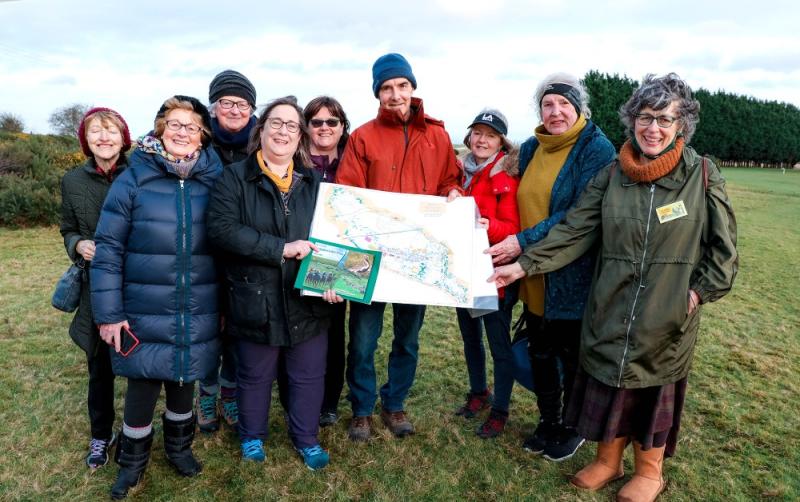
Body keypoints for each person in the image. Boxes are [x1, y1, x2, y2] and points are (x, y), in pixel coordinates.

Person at [489, 73, 738, 502]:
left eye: (664, 119)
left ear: (682, 125)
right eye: (645, 117)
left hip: (667, 315)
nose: (653, 128)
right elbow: (574, 230)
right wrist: (524, 264)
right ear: (632, 120)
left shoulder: (701, 175)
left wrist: (694, 296)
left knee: (651, 388)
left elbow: (724, 252)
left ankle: (649, 471)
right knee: (609, 383)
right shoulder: (612, 174)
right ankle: (607, 460)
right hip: (610, 307)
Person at [91, 95, 223, 499]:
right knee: (143, 384)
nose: (183, 132)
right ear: (161, 130)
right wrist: (109, 315)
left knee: (184, 378)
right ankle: (132, 463)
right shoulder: (134, 178)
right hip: (143, 305)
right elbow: (108, 250)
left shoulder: (216, 180)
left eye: (192, 126)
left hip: (197, 303)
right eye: (175, 124)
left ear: (202, 136)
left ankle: (179, 449)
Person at [206, 96, 342, 470]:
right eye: (276, 123)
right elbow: (221, 231)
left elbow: (331, 239)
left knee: (309, 374)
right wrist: (280, 249)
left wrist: (334, 281)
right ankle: (252, 436)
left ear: (300, 138)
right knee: (254, 375)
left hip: (306, 298)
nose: (284, 131)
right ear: (261, 130)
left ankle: (306, 438)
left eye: (292, 126)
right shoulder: (234, 178)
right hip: (255, 296)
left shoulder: (315, 185)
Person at [486, 72, 615, 461]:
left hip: (572, 271)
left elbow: (575, 215)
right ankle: (548, 420)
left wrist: (521, 241)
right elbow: (494, 178)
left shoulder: (596, 149)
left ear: (579, 108)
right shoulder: (531, 148)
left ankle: (574, 426)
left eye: (564, 104)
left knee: (571, 355)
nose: (556, 111)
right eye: (547, 104)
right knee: (540, 349)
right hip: (533, 273)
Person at [336, 53, 462, 441]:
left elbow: (449, 180)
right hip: (368, 256)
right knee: (362, 340)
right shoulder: (362, 136)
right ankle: (361, 409)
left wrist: (454, 192)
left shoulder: (437, 136)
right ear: (378, 92)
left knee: (407, 338)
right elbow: (347, 195)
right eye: (387, 87)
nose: (395, 94)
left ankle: (395, 403)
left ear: (412, 87)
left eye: (401, 86)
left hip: (418, 257)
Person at [60, 107, 131, 469]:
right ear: (86, 141)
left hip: (136, 283)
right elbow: (67, 227)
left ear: (124, 138)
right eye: (95, 133)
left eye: (111, 132)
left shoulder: (140, 174)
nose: (104, 139)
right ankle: (101, 435)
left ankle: (137, 432)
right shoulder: (72, 181)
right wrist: (77, 244)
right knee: (99, 367)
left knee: (139, 364)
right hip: (95, 288)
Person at [196, 69, 258, 433]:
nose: (235, 110)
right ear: (214, 106)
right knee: (207, 330)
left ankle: (230, 395)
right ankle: (206, 392)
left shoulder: (262, 144)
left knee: (237, 331)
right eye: (226, 102)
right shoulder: (199, 145)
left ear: (252, 109)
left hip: (246, 252)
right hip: (203, 253)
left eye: (243, 103)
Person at [452, 109, 520, 438]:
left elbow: (514, 229)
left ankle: (501, 409)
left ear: (500, 143)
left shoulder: (504, 177)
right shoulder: (462, 172)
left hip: (493, 276)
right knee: (469, 337)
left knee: (498, 343)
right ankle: (479, 392)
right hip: (463, 270)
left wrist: (488, 226)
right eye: (477, 132)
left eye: (490, 135)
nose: (482, 139)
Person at [303, 95, 351, 426]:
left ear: (342, 126)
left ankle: (328, 403)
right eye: (317, 122)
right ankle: (299, 395)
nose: (324, 128)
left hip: (341, 261)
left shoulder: (352, 163)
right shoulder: (294, 161)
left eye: (331, 122)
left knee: (333, 332)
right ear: (307, 127)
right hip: (301, 255)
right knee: (302, 332)